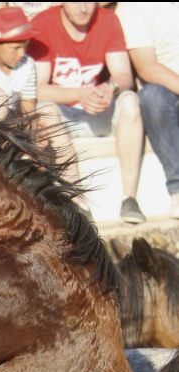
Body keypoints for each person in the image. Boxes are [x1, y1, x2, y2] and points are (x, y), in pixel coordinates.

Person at [29, 3, 146, 224]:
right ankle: (78, 201)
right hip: (64, 112)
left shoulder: (108, 20)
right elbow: (36, 89)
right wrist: (79, 94)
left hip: (98, 107)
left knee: (130, 100)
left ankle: (130, 198)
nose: (83, 8)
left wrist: (109, 88)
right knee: (43, 110)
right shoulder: (43, 24)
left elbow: (124, 75)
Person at [0, 7, 83, 193]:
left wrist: (34, 131)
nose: (21, 53)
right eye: (15, 47)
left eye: (25, 46)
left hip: (16, 121)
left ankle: (74, 189)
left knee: (49, 112)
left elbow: (28, 105)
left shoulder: (27, 64)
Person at [117, 2, 179, 218]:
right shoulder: (135, 8)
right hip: (168, 92)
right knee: (152, 97)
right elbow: (146, 67)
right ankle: (178, 190)